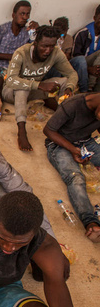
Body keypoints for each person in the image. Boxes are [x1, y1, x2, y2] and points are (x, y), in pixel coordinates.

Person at [2, 25, 78, 152]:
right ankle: (21, 131)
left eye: (51, 46)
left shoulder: (56, 53)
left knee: (64, 82)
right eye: (44, 46)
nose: (47, 50)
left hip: (34, 91)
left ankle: (67, 122)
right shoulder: (21, 53)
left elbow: (72, 74)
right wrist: (39, 85)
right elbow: (11, 80)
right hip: (11, 92)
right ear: (35, 43)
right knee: (23, 87)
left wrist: (69, 88)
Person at [43, 92, 100, 243]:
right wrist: (73, 150)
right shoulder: (73, 105)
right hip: (59, 144)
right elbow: (48, 131)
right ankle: (90, 222)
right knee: (75, 177)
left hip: (86, 142)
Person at [0, 0, 37, 106]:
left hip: (18, 69)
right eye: (22, 14)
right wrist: (12, 56)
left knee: (30, 88)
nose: (25, 17)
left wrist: (37, 31)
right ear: (13, 15)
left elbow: (35, 53)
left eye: (27, 14)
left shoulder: (28, 32)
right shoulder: (0, 30)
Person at [71, 4, 100, 92]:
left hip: (96, 68)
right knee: (81, 60)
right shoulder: (82, 33)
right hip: (82, 65)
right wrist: (89, 69)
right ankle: (87, 90)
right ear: (94, 18)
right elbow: (76, 60)